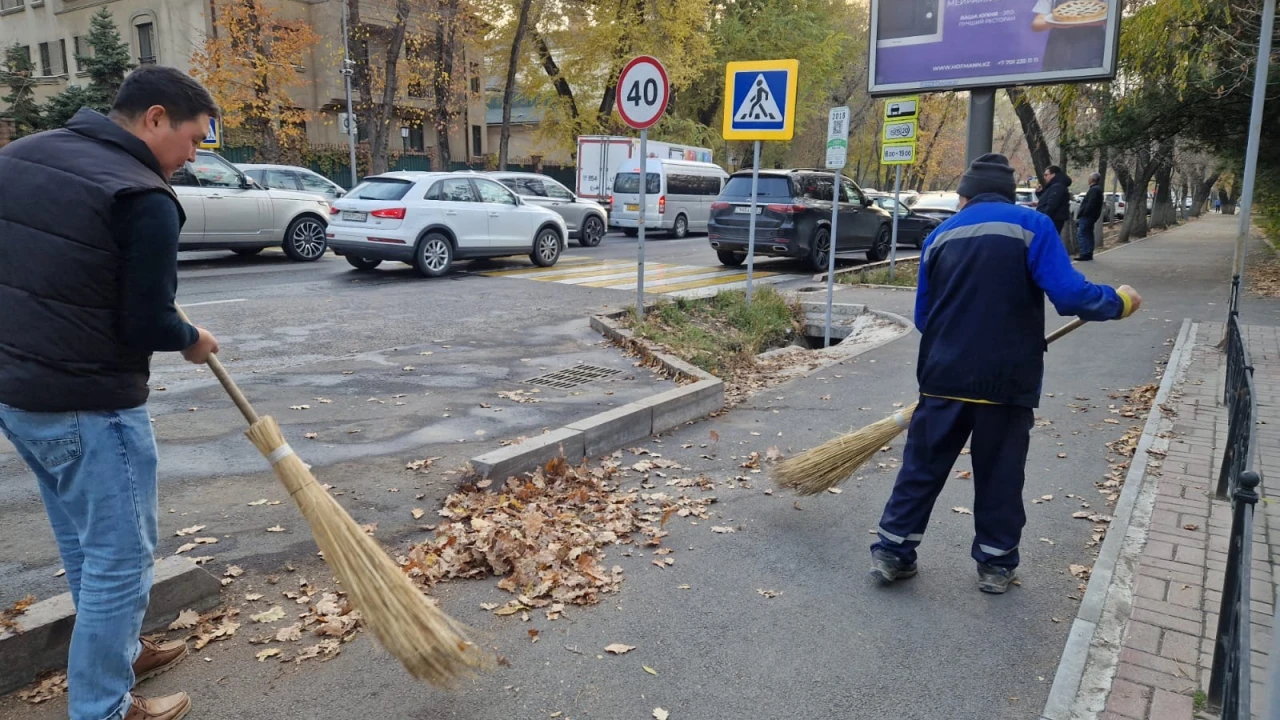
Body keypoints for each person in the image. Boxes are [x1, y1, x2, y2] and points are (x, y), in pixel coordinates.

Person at [0, 66, 221, 720]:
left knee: (84, 546)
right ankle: (102, 706)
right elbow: (146, 321)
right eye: (192, 139)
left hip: (18, 397)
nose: (190, 158)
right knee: (120, 560)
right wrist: (189, 336)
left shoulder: (21, 155)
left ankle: (116, 649)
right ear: (155, 118)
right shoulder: (144, 197)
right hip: (90, 405)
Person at [869, 153, 1141, 594]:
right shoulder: (1032, 228)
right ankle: (995, 565)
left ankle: (893, 552)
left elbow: (924, 316)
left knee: (921, 468)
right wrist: (1120, 301)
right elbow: (1072, 295)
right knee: (1000, 473)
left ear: (965, 194)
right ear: (1010, 191)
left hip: (943, 377)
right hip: (1006, 378)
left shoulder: (939, 236)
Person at [1032, 0, 1109, 72]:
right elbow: (1037, 23)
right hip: (1060, 52)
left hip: (1093, 51)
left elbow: (1113, 15)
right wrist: (1052, 23)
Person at [1036, 164, 1073, 236]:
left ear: (1053, 175)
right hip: (1052, 218)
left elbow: (1052, 204)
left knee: (1049, 240)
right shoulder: (1054, 186)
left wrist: (1044, 218)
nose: (1044, 177)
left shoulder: (1057, 186)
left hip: (1053, 219)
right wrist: (1039, 193)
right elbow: (1046, 200)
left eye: (1046, 175)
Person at [1076, 172, 1104, 261]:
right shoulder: (1097, 189)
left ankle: (1085, 253)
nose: (1088, 179)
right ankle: (1088, 252)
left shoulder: (1094, 190)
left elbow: (1090, 203)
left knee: (1082, 234)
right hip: (1091, 216)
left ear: (1092, 179)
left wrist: (1084, 213)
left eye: (1089, 178)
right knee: (1088, 234)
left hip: (1088, 216)